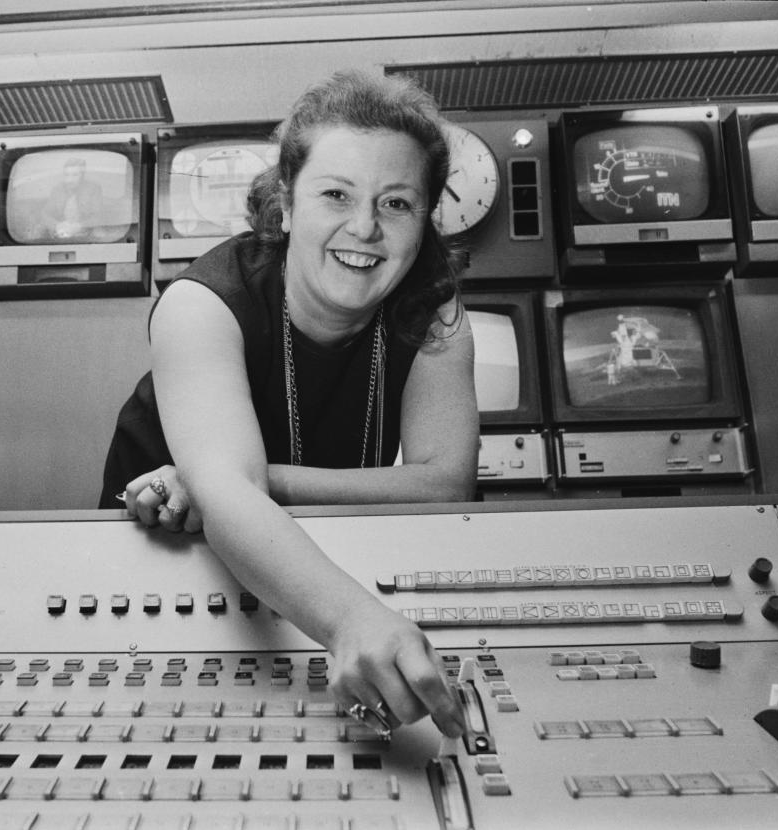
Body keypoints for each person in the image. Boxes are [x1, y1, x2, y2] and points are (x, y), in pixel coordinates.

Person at [99, 69, 478, 738]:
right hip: (159, 553)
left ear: (423, 221)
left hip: (311, 560)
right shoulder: (202, 303)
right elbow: (228, 496)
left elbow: (445, 484)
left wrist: (241, 481)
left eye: (396, 203)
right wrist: (354, 620)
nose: (364, 228)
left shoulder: (434, 309)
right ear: (285, 207)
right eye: (336, 194)